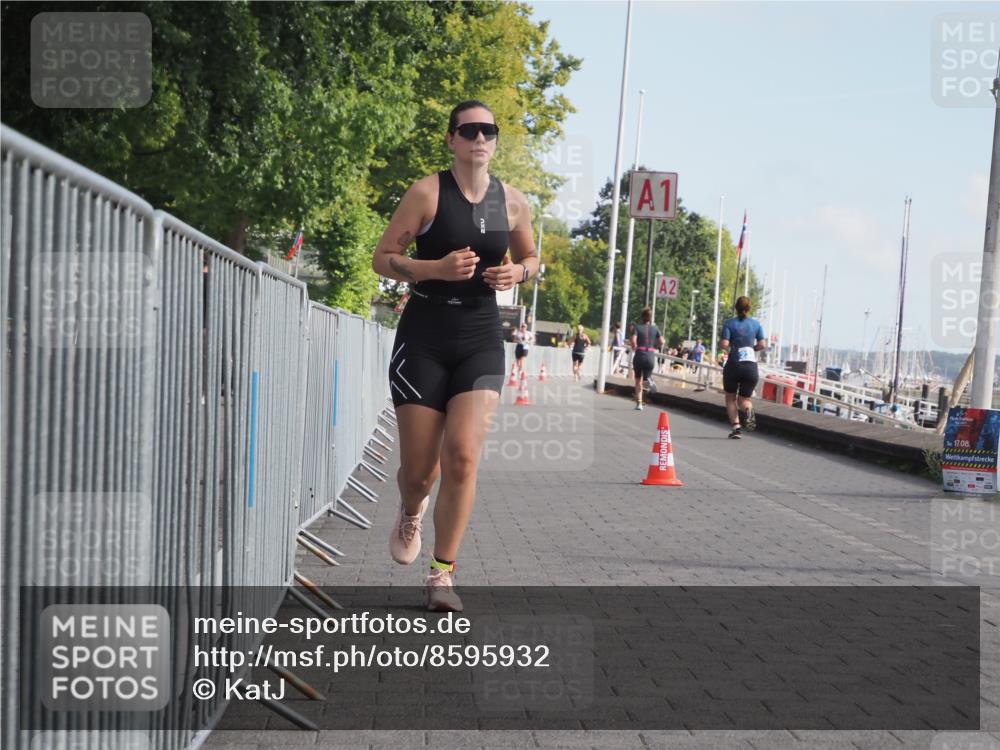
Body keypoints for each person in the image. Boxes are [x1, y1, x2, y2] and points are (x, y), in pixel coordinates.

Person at [372, 100, 538, 611]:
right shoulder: (428, 192)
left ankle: (442, 573)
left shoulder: (510, 202)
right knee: (420, 471)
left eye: (488, 130)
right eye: (469, 131)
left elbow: (532, 258)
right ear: (451, 140)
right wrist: (435, 269)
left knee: (462, 456)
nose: (479, 138)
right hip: (424, 335)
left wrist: (521, 273)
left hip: (480, 337)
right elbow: (383, 258)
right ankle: (412, 505)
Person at [719, 296, 767, 439]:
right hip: (751, 366)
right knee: (744, 400)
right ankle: (749, 411)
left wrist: (726, 344)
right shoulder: (756, 324)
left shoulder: (729, 323)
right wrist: (752, 348)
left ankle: (736, 427)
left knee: (730, 398)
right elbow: (762, 344)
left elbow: (724, 344)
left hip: (734, 364)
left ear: (736, 308)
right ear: (749, 308)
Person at [629, 307, 664, 410]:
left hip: (639, 355)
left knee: (637, 381)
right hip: (650, 355)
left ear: (642, 317)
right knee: (645, 379)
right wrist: (655, 346)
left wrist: (634, 345)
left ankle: (639, 404)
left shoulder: (637, 328)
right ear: (650, 318)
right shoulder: (655, 328)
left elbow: (633, 340)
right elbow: (662, 341)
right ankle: (648, 381)